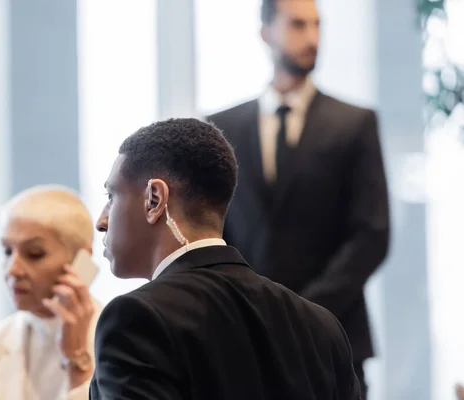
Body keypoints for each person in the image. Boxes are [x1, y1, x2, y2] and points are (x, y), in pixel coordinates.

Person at [90, 118, 361, 399]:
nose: (101, 220)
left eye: (112, 195)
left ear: (155, 199)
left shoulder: (135, 319)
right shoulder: (321, 325)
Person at [206, 1, 390, 397]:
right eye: (298, 25)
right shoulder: (221, 127)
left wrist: (303, 312)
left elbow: (371, 234)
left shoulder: (355, 124)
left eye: (318, 26)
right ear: (266, 33)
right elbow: (213, 232)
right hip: (246, 340)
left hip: (334, 334)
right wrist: (247, 311)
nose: (313, 38)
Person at [0, 185, 101, 400]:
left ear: (81, 259)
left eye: (34, 254)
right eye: (7, 251)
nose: (12, 269)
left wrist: (77, 362)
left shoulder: (119, 342)